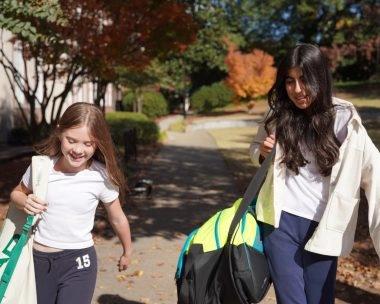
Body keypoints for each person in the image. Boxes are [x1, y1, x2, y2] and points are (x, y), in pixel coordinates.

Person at [249, 43, 380, 304]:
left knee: (321, 300)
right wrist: (263, 153)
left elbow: (375, 176)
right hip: (279, 223)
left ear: (320, 77)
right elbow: (255, 149)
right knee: (291, 301)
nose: (297, 90)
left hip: (324, 227)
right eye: (290, 81)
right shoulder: (278, 114)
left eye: (304, 79)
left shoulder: (345, 120)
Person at [10, 102, 132, 304]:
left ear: (98, 143)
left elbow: (117, 217)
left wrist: (127, 251)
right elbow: (16, 194)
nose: (78, 150)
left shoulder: (101, 175)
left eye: (88, 143)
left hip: (79, 262)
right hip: (38, 260)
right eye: (71, 140)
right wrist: (24, 200)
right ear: (60, 132)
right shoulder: (41, 168)